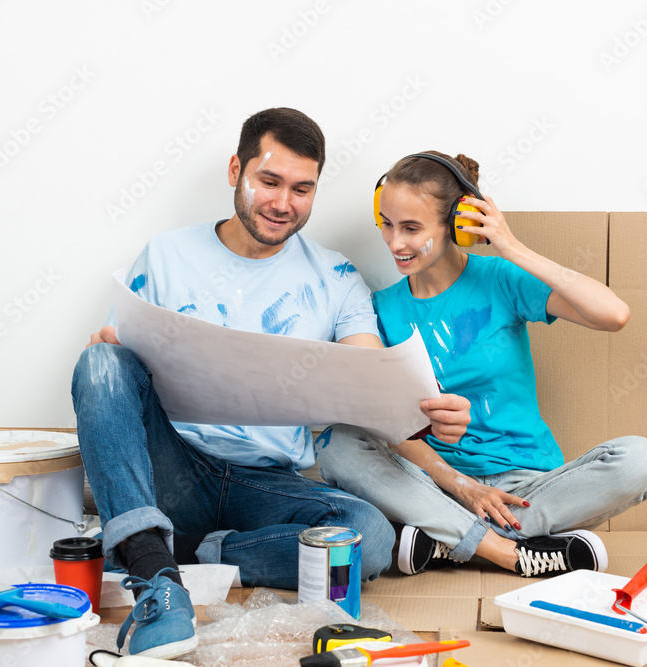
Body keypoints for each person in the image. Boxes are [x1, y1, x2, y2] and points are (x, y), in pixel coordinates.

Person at [71, 112, 470, 659]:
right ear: (237, 170)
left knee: (368, 537)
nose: (284, 203)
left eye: (302, 189)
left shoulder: (335, 277)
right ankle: (158, 583)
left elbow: (373, 383)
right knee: (98, 363)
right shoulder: (167, 255)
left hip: (269, 485)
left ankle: (180, 549)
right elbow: (119, 364)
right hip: (177, 469)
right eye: (270, 181)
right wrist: (110, 356)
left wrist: (427, 416)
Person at [316, 151, 647, 579]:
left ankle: (446, 542)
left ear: (458, 226)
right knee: (338, 443)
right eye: (386, 224)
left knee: (641, 459)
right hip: (434, 485)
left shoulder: (501, 279)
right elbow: (388, 426)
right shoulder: (381, 310)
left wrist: (511, 246)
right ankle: (508, 552)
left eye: (411, 228)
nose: (394, 243)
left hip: (525, 489)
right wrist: (458, 484)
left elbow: (613, 315)